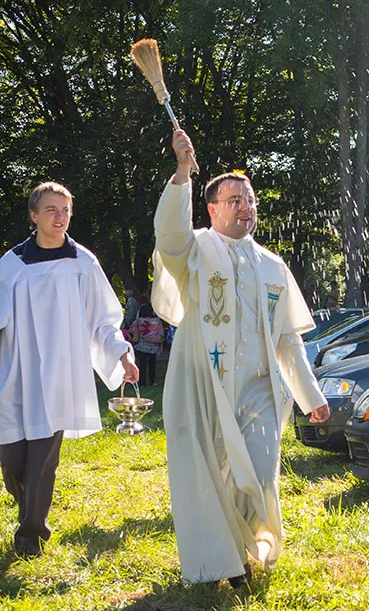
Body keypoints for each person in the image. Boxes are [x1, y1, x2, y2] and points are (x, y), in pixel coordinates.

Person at [152, 129, 330, 587]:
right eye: (233, 200)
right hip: (206, 385)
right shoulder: (195, 251)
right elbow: (168, 235)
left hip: (259, 391)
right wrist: (182, 170)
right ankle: (223, 563)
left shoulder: (272, 265)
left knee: (261, 473)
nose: (244, 206)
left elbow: (288, 339)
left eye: (248, 199)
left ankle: (256, 544)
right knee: (212, 476)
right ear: (211, 209)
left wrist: (311, 395)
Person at [0, 182, 139, 557]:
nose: (60, 217)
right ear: (33, 216)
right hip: (15, 376)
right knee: (12, 462)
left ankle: (31, 531)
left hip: (60, 377)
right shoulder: (11, 265)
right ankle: (28, 506)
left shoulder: (83, 263)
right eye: (51, 210)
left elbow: (104, 321)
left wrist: (123, 353)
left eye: (65, 210)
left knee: (42, 462)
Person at [129, 303, 165, 386]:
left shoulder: (138, 321)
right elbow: (161, 333)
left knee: (142, 365)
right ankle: (152, 381)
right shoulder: (157, 321)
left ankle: (142, 382)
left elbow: (131, 330)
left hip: (141, 346)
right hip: (153, 347)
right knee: (152, 365)